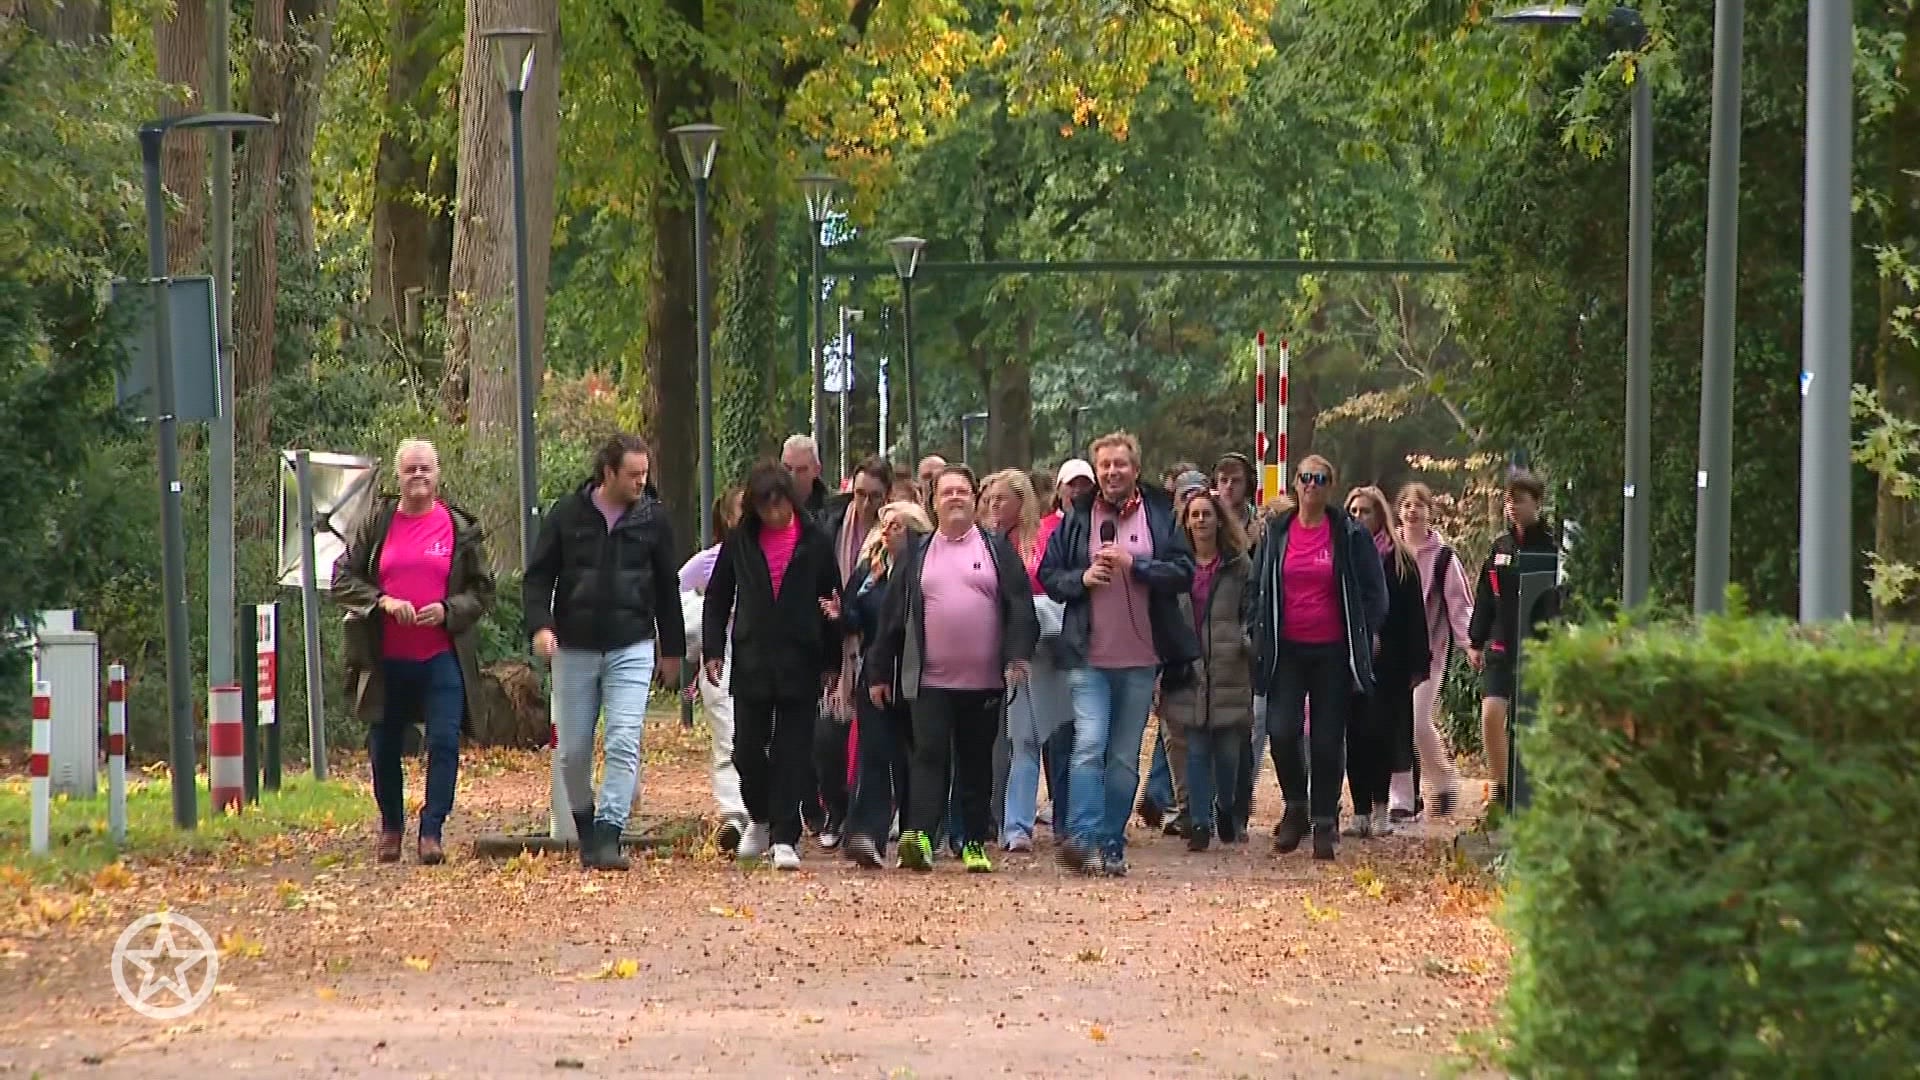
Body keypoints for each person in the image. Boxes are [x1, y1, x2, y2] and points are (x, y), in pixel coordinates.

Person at [522, 435, 685, 871]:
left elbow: (668, 588)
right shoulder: (566, 515)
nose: (641, 482)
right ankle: (586, 826)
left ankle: (611, 832)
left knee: (623, 739)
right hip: (575, 646)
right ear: (608, 473)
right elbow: (537, 579)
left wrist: (673, 650)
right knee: (572, 751)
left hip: (631, 643)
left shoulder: (654, 520)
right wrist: (541, 625)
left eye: (645, 474)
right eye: (633, 474)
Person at [1039, 431, 1198, 876]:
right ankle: (1083, 839)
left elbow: (1184, 572)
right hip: (1088, 655)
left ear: (1136, 469)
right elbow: (1050, 574)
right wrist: (1083, 579)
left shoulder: (1161, 514)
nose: (1112, 472)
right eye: (1105, 465)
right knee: (1089, 745)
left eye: (1120, 464)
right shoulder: (1079, 516)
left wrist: (1138, 567)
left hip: (1142, 657)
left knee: (1124, 756)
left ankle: (1111, 843)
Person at [867, 466, 1039, 873]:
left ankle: (974, 842)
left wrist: (1017, 656)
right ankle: (922, 837)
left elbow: (1020, 608)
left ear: (975, 498)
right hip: (929, 680)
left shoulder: (996, 549)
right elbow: (892, 617)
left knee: (976, 761)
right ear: (935, 501)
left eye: (963, 490)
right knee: (928, 757)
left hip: (983, 683)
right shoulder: (917, 553)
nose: (956, 497)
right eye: (948, 492)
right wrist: (877, 672)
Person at [334, 439, 496, 865]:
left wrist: (447, 610)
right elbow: (342, 578)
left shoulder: (458, 527)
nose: (418, 476)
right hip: (386, 657)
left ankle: (432, 830)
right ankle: (391, 826)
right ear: (398, 476)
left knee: (443, 741)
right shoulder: (378, 524)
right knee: (384, 744)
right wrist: (382, 602)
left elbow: (482, 592)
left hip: (441, 655)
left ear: (437, 473)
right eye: (410, 470)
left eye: (425, 468)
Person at [701, 461, 844, 871]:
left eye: (780, 507)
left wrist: (832, 660)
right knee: (746, 747)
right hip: (753, 658)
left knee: (792, 752)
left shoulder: (815, 540)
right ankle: (759, 816)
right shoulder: (740, 541)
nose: (775, 516)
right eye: (766, 509)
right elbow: (717, 598)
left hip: (801, 657)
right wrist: (714, 650)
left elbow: (830, 600)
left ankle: (785, 835)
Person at [1245, 455, 1387, 860]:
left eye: (1321, 478)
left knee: (1327, 738)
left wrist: (1369, 631)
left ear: (1331, 486)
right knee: (1282, 729)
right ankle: (1296, 806)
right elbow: (1257, 584)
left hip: (1332, 650)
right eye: (1306, 477)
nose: (1312, 484)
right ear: (1295, 483)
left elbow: (1375, 591)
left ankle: (1325, 819)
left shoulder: (1347, 532)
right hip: (1285, 647)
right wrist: (1255, 627)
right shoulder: (1277, 531)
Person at [1158, 490, 1255, 850]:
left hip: (1230, 666)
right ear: (1185, 523)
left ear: (1219, 521)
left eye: (1207, 515)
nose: (1200, 521)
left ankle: (1225, 808)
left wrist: (1245, 642)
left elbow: (1252, 611)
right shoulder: (1174, 567)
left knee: (1229, 753)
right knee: (1194, 748)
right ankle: (1199, 823)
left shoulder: (1239, 566)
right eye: (1194, 515)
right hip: (1188, 666)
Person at [980, 469, 1066, 852]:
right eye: (990, 500)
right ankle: (1009, 823)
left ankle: (1041, 820)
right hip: (993, 649)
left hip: (1044, 648)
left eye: (1002, 499)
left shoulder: (1044, 537)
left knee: (1042, 734)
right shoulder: (984, 542)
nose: (994, 506)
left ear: (1021, 501)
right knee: (1013, 739)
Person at [1340, 486, 1431, 840]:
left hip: (1389, 663)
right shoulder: (1342, 556)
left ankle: (1380, 808)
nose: (1360, 518)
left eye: (1366, 511)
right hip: (1350, 659)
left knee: (1380, 735)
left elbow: (1414, 618)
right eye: (1354, 511)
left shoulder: (1400, 560)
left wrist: (1416, 665)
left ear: (1380, 516)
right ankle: (1359, 809)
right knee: (1354, 736)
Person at [814, 456, 894, 849]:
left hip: (876, 643)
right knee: (828, 736)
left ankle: (865, 818)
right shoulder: (831, 529)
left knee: (870, 743)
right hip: (834, 642)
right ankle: (835, 808)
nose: (866, 503)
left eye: (875, 496)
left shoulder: (892, 537)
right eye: (860, 494)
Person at [1467, 468, 1560, 808]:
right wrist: (1476, 642)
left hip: (1537, 648)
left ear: (1537, 503)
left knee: (1533, 722)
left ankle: (1534, 791)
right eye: (1508, 502)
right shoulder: (1500, 548)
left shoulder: (1552, 549)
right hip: (1501, 645)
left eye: (1519, 501)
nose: (1512, 508)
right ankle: (1501, 786)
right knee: (1491, 714)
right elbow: (1485, 597)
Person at [1392, 482, 1470, 818]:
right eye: (1406, 504)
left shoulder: (1443, 558)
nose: (1412, 511)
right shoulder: (1388, 548)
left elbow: (1460, 606)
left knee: (1417, 721)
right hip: (1391, 653)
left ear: (1429, 512)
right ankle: (1403, 798)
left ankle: (1443, 781)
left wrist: (1471, 644)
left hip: (1429, 655)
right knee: (1396, 724)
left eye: (1418, 505)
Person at [681, 487, 749, 852]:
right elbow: (675, 597)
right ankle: (733, 814)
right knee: (728, 734)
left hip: (763, 657)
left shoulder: (774, 555)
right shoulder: (708, 562)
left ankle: (762, 812)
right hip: (720, 657)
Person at [1039, 458, 1093, 831]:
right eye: (1071, 484)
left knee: (1089, 733)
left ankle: (1088, 813)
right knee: (1059, 732)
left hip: (1093, 639)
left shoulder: (1100, 526)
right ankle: (1062, 814)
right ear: (1059, 489)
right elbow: (1045, 575)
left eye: (1083, 484)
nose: (1077, 491)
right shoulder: (1045, 529)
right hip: (1051, 638)